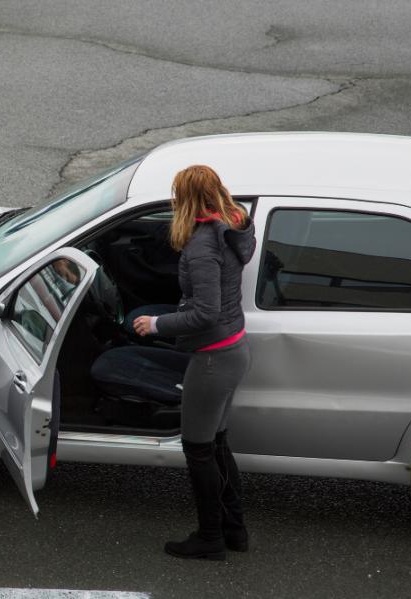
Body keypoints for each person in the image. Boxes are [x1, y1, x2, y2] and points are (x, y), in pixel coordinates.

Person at [132, 165, 256, 561]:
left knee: (198, 449)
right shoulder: (231, 228)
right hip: (233, 350)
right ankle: (234, 531)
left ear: (185, 198)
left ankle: (209, 538)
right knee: (217, 446)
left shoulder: (203, 245)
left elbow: (205, 312)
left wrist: (156, 325)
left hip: (212, 360)